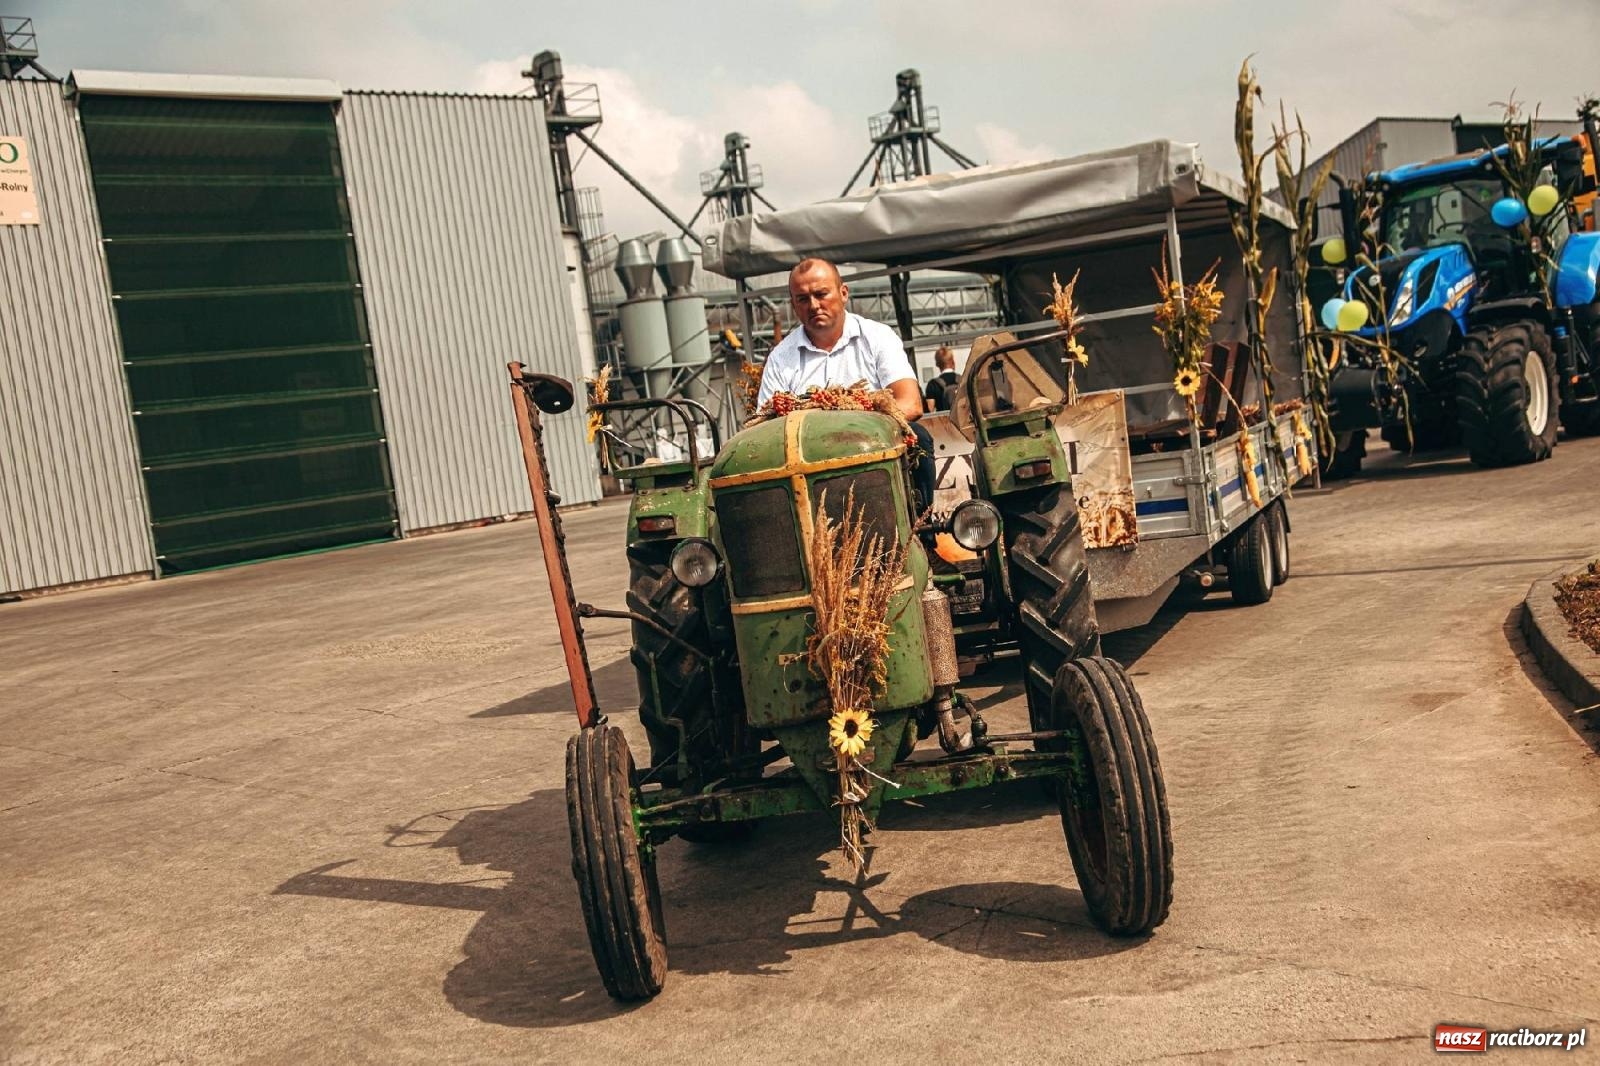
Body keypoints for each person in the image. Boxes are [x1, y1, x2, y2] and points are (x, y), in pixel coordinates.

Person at [758, 257, 936, 509]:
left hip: (874, 447)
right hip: (808, 464)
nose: (814, 305)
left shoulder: (878, 337)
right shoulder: (781, 358)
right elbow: (765, 427)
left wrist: (848, 425)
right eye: (803, 299)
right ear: (793, 306)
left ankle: (922, 528)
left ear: (843, 293)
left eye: (821, 294)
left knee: (918, 438)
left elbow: (911, 404)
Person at [924, 346, 959, 412]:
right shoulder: (963, 380)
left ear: (937, 364)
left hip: (944, 421)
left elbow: (930, 411)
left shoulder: (933, 384)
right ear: (953, 361)